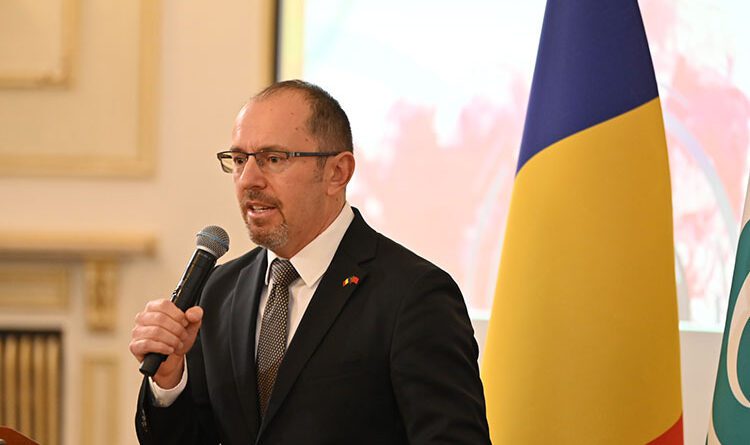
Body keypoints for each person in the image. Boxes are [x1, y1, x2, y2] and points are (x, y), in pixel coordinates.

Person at [129, 80, 491, 444]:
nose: (248, 180)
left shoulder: (414, 296)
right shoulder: (219, 290)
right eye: (239, 160)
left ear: (337, 173)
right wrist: (170, 382)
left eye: (273, 159)